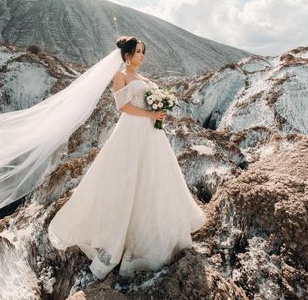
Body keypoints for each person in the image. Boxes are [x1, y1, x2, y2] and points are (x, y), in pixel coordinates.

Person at [48, 36, 207, 279]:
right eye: (139, 52)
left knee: (154, 177)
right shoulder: (120, 76)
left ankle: (157, 231)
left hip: (150, 133)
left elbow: (149, 101)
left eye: (144, 51)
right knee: (128, 176)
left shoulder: (144, 79)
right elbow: (122, 107)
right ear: (127, 55)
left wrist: (158, 112)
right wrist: (148, 113)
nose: (142, 56)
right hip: (131, 130)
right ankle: (120, 235)